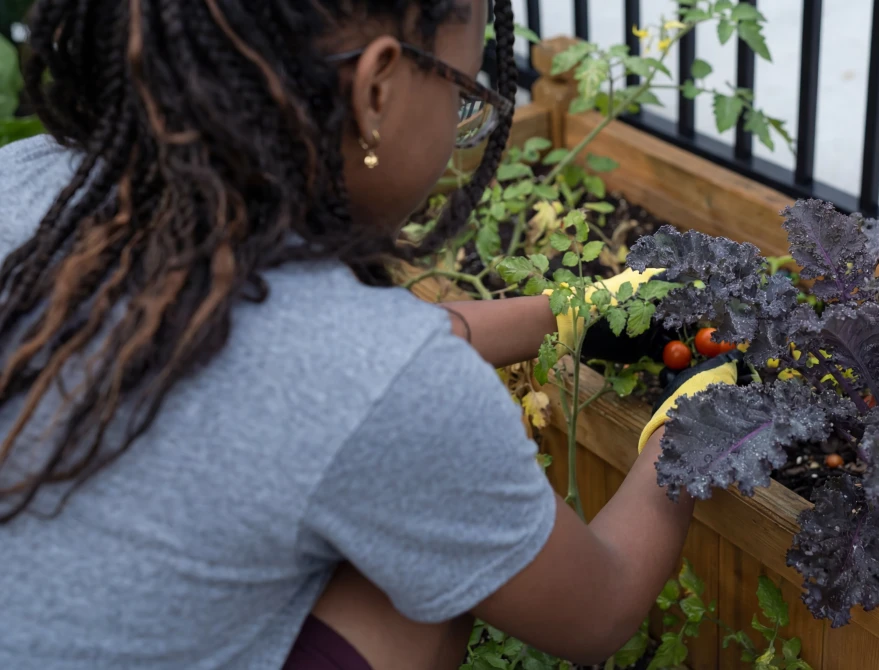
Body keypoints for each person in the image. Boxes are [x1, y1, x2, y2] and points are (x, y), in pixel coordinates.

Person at [0, 1, 744, 668]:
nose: (464, 118)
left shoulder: (26, 180)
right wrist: (693, 425)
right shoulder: (379, 378)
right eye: (463, 94)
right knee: (414, 597)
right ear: (378, 90)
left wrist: (564, 312)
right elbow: (601, 608)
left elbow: (303, 357)